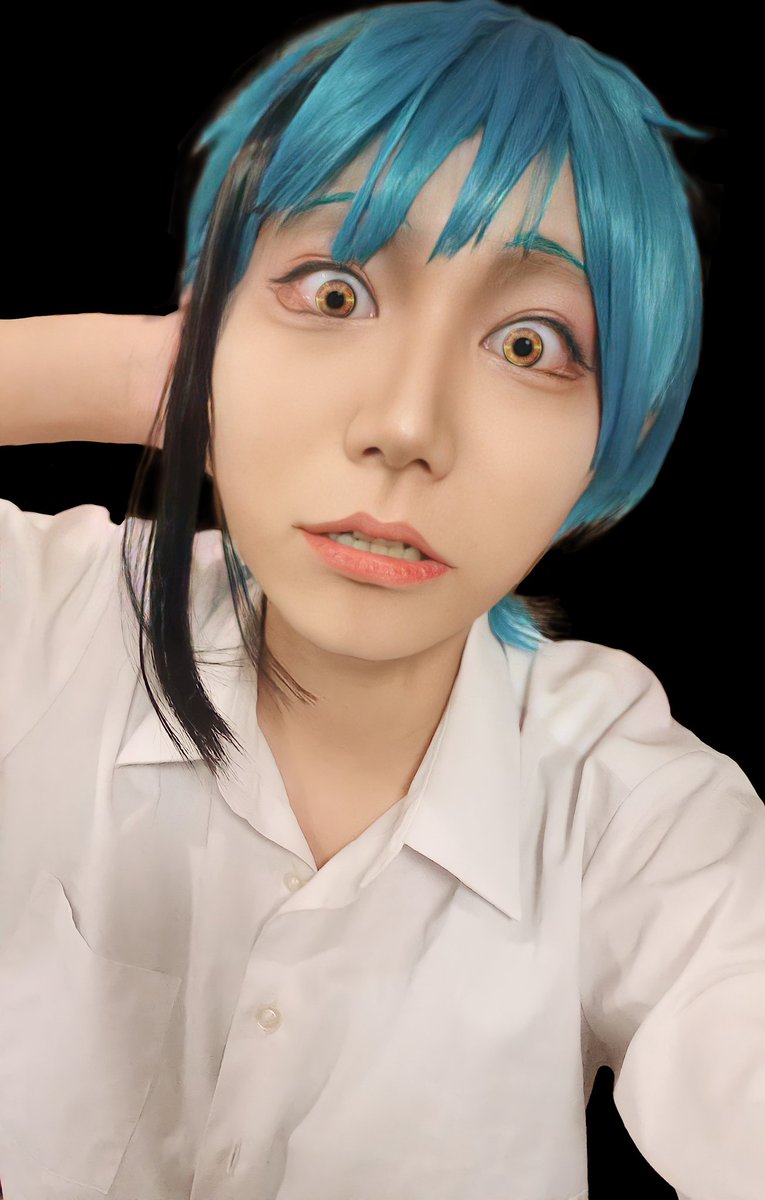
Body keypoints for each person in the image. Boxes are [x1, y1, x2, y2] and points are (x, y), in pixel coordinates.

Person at [0, 3, 759, 1199]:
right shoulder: (44, 619)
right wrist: (133, 373)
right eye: (335, 292)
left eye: (529, 345)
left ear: (619, 427)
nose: (406, 426)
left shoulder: (631, 809)